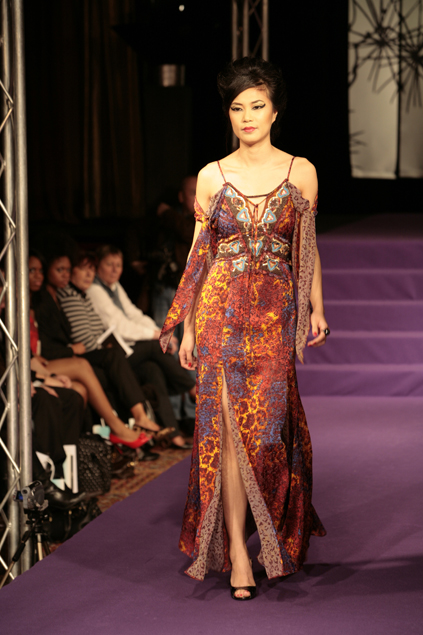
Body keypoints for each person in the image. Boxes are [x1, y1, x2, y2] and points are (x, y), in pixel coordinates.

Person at [159, 57, 329, 600]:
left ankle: (272, 531)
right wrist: (187, 325)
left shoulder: (301, 171)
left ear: (275, 111)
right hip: (220, 314)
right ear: (229, 114)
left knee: (269, 435)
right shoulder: (213, 175)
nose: (247, 116)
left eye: (257, 105)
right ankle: (237, 550)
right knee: (230, 439)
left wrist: (315, 307)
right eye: (237, 108)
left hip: (275, 318)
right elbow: (198, 255)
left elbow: (306, 247)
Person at [29, 249, 150, 450]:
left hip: (45, 360)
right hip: (39, 363)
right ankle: (118, 427)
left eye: (67, 270)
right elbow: (45, 346)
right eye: (60, 269)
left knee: (84, 386)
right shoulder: (43, 301)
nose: (65, 274)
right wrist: (70, 350)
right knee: (91, 364)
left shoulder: (54, 298)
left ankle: (81, 452)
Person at [87, 245, 195, 449]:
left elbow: (134, 314)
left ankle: (173, 434)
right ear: (98, 265)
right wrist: (159, 336)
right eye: (109, 264)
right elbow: (121, 326)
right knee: (155, 347)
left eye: (118, 265)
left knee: (153, 370)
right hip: (113, 356)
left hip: (127, 351)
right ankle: (192, 389)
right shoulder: (95, 290)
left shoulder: (114, 287)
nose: (114, 270)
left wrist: (161, 333)